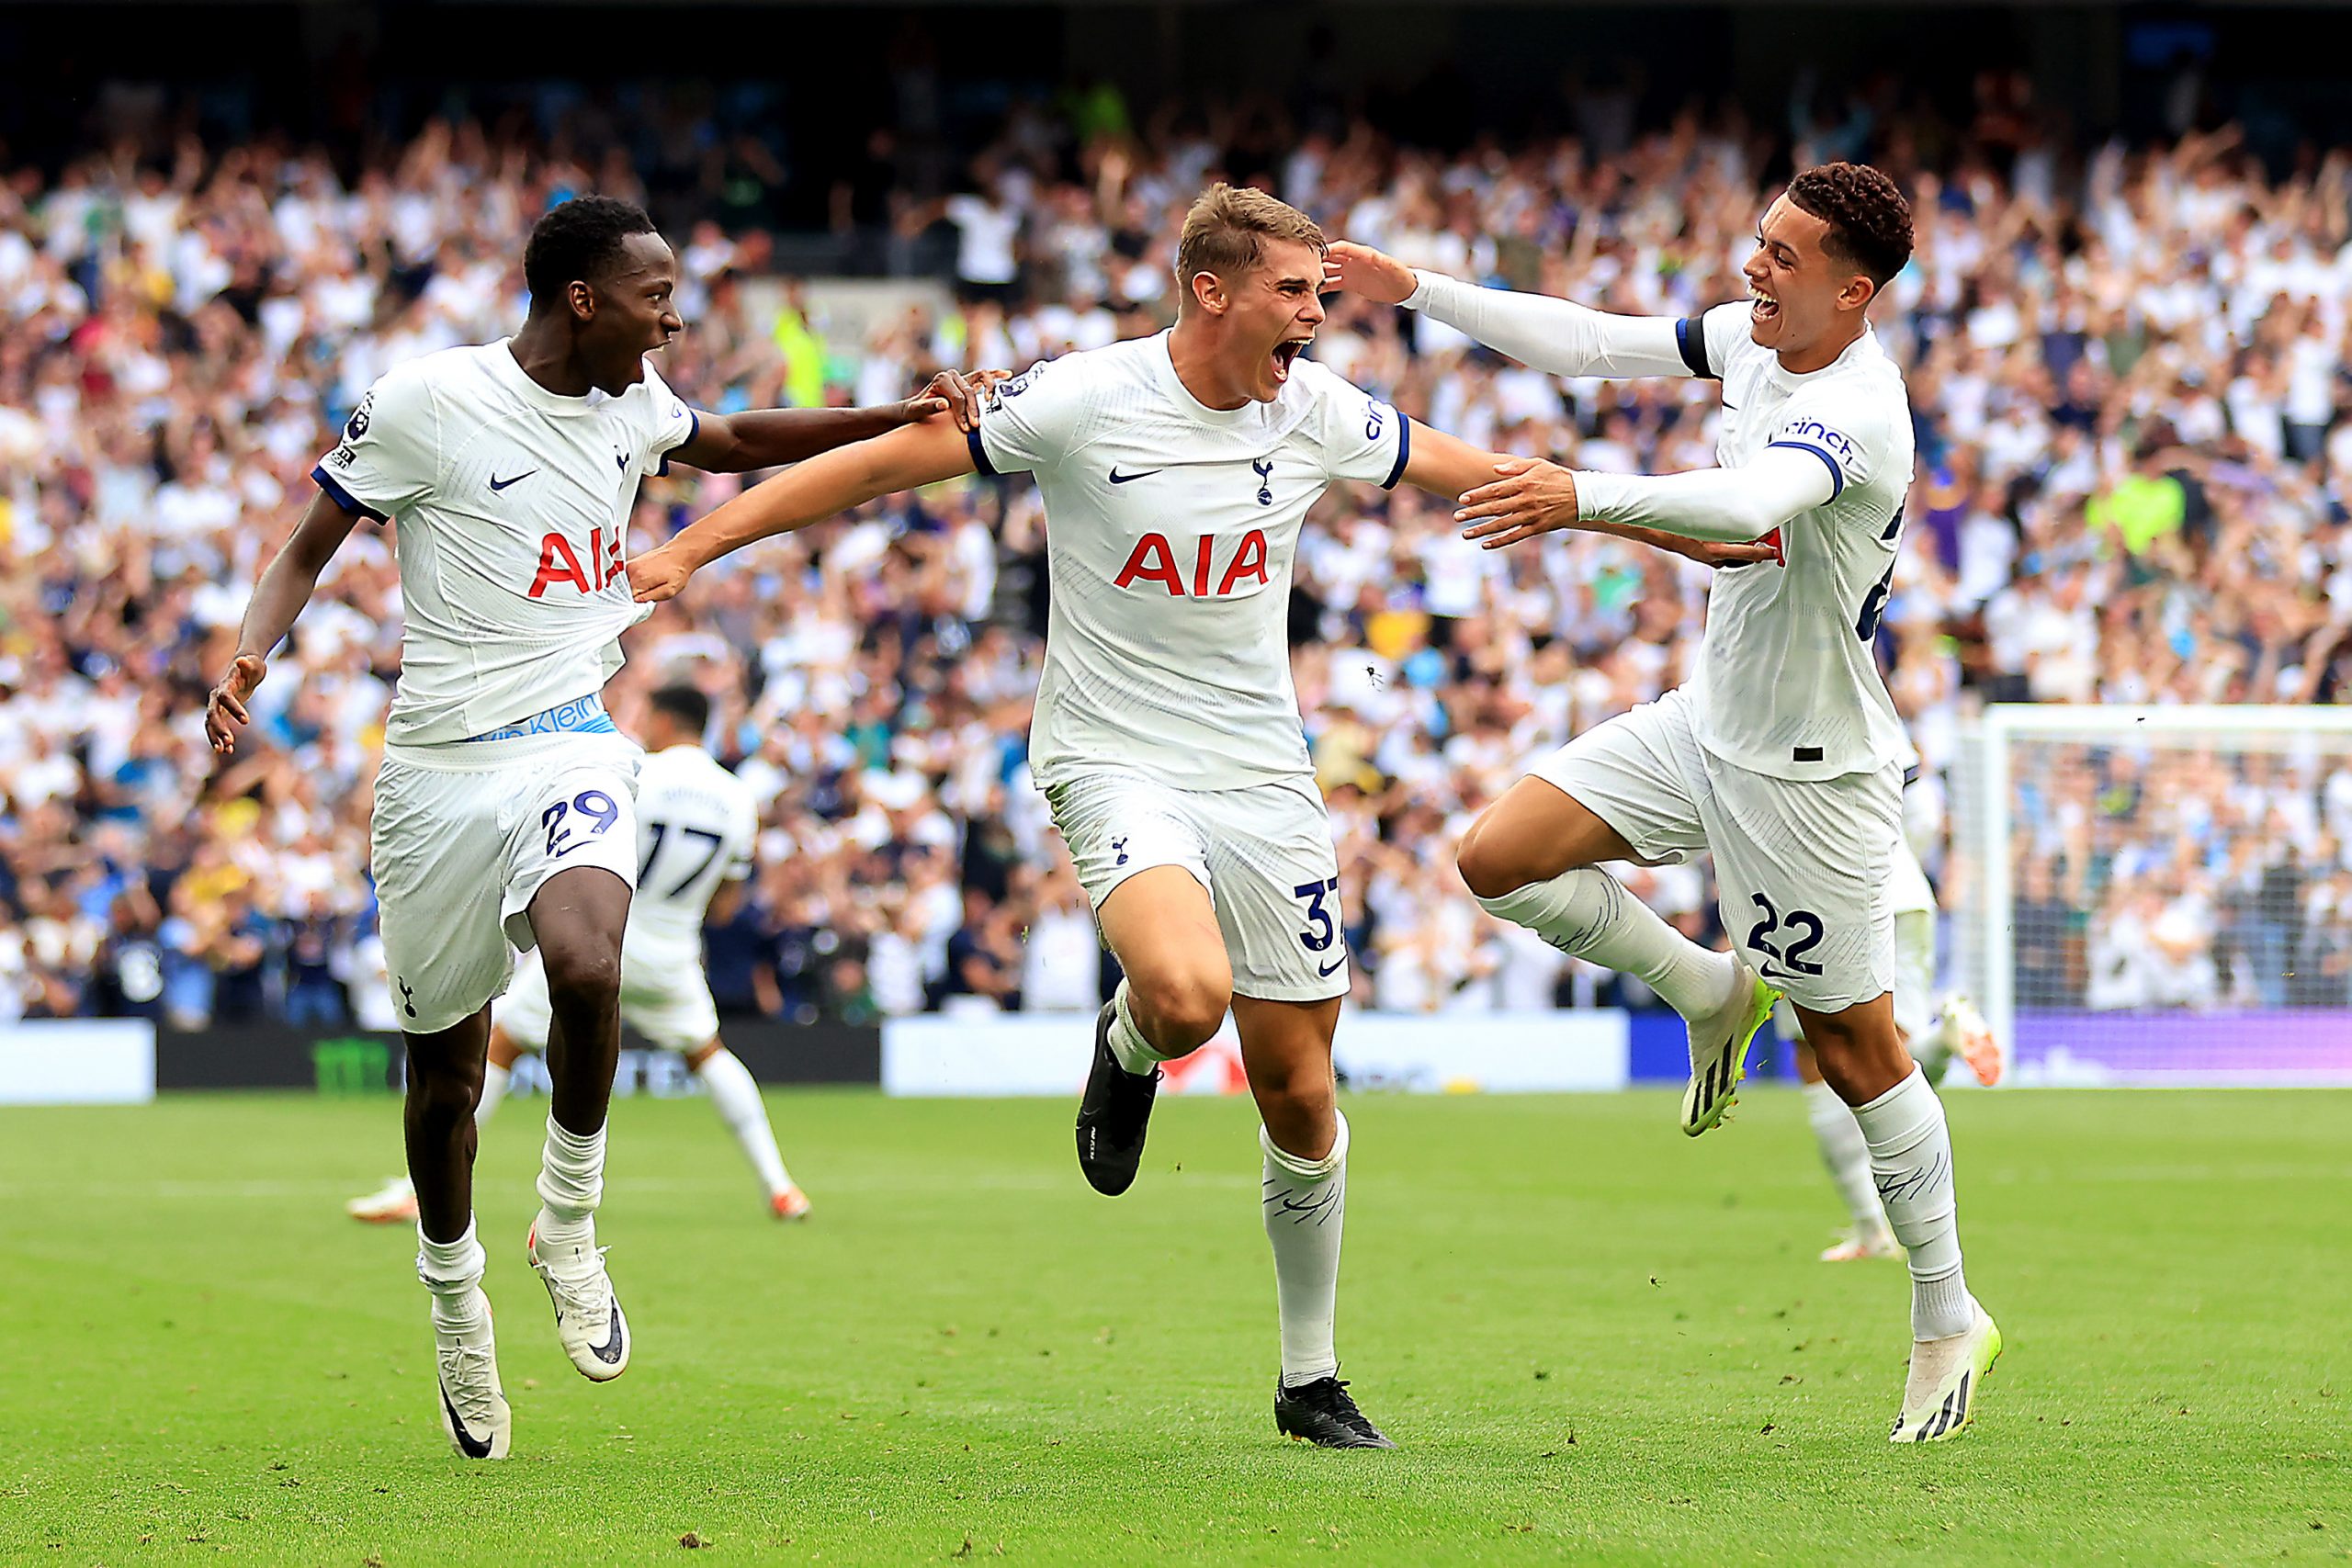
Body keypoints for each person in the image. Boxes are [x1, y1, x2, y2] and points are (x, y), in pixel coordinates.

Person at [628, 184, 1767, 1450]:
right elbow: (874, 467)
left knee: (1298, 1087)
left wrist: (1672, 526)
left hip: (1262, 775)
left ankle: (1310, 1375)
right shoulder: (1083, 398)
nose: (1318, 316)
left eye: (1322, 293)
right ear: (1210, 290)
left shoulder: (1318, 412)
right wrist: (692, 548)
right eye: (1295, 292)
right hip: (1116, 757)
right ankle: (1129, 1047)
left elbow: (1497, 474)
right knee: (1184, 997)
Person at [205, 194, 989, 1461]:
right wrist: (248, 653)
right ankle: (455, 1301)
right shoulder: (426, 399)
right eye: (655, 295)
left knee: (585, 960)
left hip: (570, 733)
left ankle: (569, 1218)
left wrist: (892, 412)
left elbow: (730, 438)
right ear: (583, 300)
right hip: (435, 775)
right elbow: (308, 546)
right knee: (444, 1076)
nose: (674, 317)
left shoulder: (635, 402)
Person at [1329, 162, 2003, 1443]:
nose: (1757, 266)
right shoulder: (1757, 345)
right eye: (1762, 241)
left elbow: (1752, 507)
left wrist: (1578, 496)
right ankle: (1707, 984)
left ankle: (1944, 1309)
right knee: (1500, 853)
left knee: (1856, 1054)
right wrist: (1412, 286)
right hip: (1709, 720)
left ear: (1853, 293)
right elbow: (1588, 343)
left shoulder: (1856, 406)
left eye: (1787, 255)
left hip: (1807, 771)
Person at [345, 683, 810, 1229]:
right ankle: (780, 1186)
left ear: (662, 720)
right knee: (708, 1055)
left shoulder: (640, 772)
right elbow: (727, 903)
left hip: (603, 941)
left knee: (499, 1047)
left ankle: (421, 1191)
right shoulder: (737, 798)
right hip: (672, 952)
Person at [1780, 827, 2003, 1261]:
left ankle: (1870, 1229)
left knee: (1818, 1056)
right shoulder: (1899, 753)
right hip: (1905, 887)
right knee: (1892, 1054)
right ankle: (1943, 1038)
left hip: (1824, 898)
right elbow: (1922, 816)